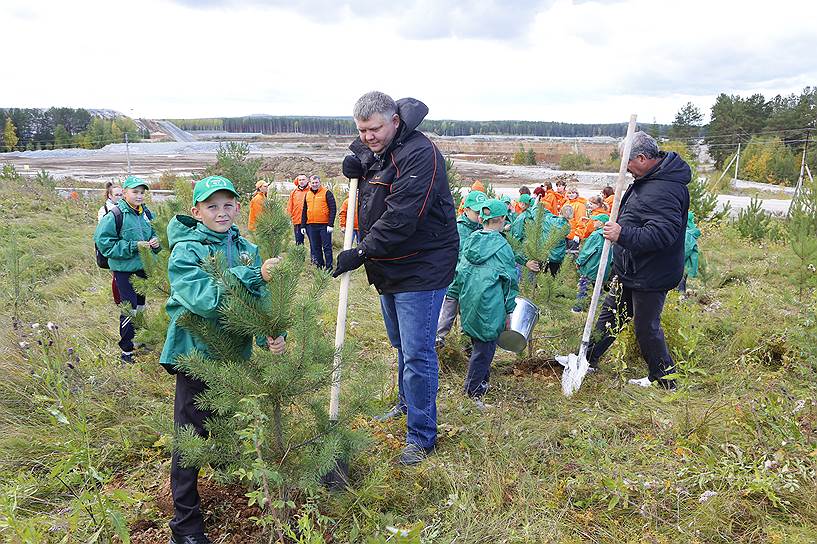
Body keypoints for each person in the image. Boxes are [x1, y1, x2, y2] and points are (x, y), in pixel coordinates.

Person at [333, 91, 458, 465]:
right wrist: (356, 161)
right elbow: (365, 156)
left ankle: (421, 436)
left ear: (395, 121)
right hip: (391, 264)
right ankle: (406, 405)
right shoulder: (381, 148)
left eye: (374, 130)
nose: (368, 136)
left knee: (418, 352)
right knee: (402, 343)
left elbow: (404, 216)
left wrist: (361, 250)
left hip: (422, 264)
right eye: (361, 130)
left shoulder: (420, 154)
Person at [159, 175, 285, 544]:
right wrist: (252, 274)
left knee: (229, 423)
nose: (221, 212)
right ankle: (185, 526)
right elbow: (205, 300)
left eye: (228, 204)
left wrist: (270, 334)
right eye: (212, 206)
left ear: (238, 207)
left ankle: (232, 487)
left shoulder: (248, 247)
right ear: (196, 211)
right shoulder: (187, 251)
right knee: (190, 438)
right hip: (195, 355)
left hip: (236, 354)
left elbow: (259, 300)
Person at [577, 131, 691, 390]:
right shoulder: (648, 179)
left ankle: (665, 381)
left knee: (646, 328)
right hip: (630, 267)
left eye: (626, 162)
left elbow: (663, 234)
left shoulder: (666, 188)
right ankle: (586, 359)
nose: (624, 169)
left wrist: (622, 233)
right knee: (610, 316)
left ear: (641, 158)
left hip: (651, 273)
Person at [447, 199, 518, 408]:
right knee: (485, 349)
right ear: (503, 219)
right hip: (490, 304)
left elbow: (459, 272)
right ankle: (473, 392)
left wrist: (456, 296)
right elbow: (509, 281)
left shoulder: (471, 240)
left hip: (469, 301)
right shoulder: (502, 247)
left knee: (479, 344)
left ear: (481, 218)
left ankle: (482, 382)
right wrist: (510, 310)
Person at [93, 175, 161, 363]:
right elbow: (104, 243)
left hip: (143, 268)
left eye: (141, 192)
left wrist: (156, 242)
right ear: (124, 193)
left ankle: (139, 340)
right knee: (129, 307)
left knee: (140, 307)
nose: (139, 196)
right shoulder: (115, 215)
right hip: (124, 271)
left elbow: (156, 233)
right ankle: (127, 351)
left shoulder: (146, 213)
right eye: (135, 192)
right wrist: (133, 246)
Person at [435, 190, 486, 347]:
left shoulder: (484, 229)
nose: (480, 216)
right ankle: (438, 340)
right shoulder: (457, 228)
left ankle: (466, 344)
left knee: (469, 314)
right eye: (477, 212)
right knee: (447, 313)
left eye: (483, 212)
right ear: (466, 210)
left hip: (473, 283)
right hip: (455, 280)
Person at [572, 214, 612, 312]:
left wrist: (579, 261)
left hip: (591, 267)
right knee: (598, 288)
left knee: (583, 286)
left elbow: (587, 251)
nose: (593, 222)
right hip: (604, 268)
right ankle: (599, 309)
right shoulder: (610, 236)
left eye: (596, 220)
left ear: (602, 223)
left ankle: (578, 308)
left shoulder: (596, 235)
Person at [300, 175, 337, 271]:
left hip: (324, 225)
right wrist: (303, 225)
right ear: (310, 183)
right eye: (313, 183)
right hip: (311, 225)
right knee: (316, 247)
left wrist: (330, 224)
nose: (315, 184)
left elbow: (333, 208)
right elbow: (304, 210)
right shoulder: (307, 194)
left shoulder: (326, 193)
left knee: (327, 247)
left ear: (320, 182)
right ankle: (320, 266)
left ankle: (329, 268)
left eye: (316, 182)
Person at [98, 181, 124, 305]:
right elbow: (103, 232)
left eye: (121, 194)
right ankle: (118, 300)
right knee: (116, 274)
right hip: (113, 246)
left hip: (123, 245)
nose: (120, 197)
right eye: (117, 195)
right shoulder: (104, 210)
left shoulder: (126, 208)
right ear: (110, 195)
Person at [542, 204, 572, 276]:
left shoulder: (551, 220)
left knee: (542, 273)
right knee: (555, 274)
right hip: (557, 255)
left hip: (546, 252)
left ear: (560, 212)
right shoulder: (567, 226)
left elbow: (546, 215)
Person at [678, 211, 701, 293]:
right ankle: (682, 297)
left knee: (681, 282)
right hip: (689, 263)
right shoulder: (691, 232)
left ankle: (681, 298)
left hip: (685, 263)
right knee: (683, 282)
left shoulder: (688, 234)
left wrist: (678, 260)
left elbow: (686, 250)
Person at [286, 174, 309, 245]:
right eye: (300, 180)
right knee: (299, 242)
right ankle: (300, 255)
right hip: (297, 220)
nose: (301, 181)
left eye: (303, 180)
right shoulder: (294, 192)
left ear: (307, 180)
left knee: (313, 242)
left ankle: (314, 256)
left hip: (309, 221)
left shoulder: (311, 191)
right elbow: (290, 206)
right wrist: (288, 218)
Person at [565, 186, 587, 254]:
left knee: (572, 255)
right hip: (565, 233)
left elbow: (581, 221)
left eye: (573, 193)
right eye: (569, 193)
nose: (571, 194)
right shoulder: (566, 203)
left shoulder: (580, 205)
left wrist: (578, 234)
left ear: (577, 194)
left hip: (574, 235)